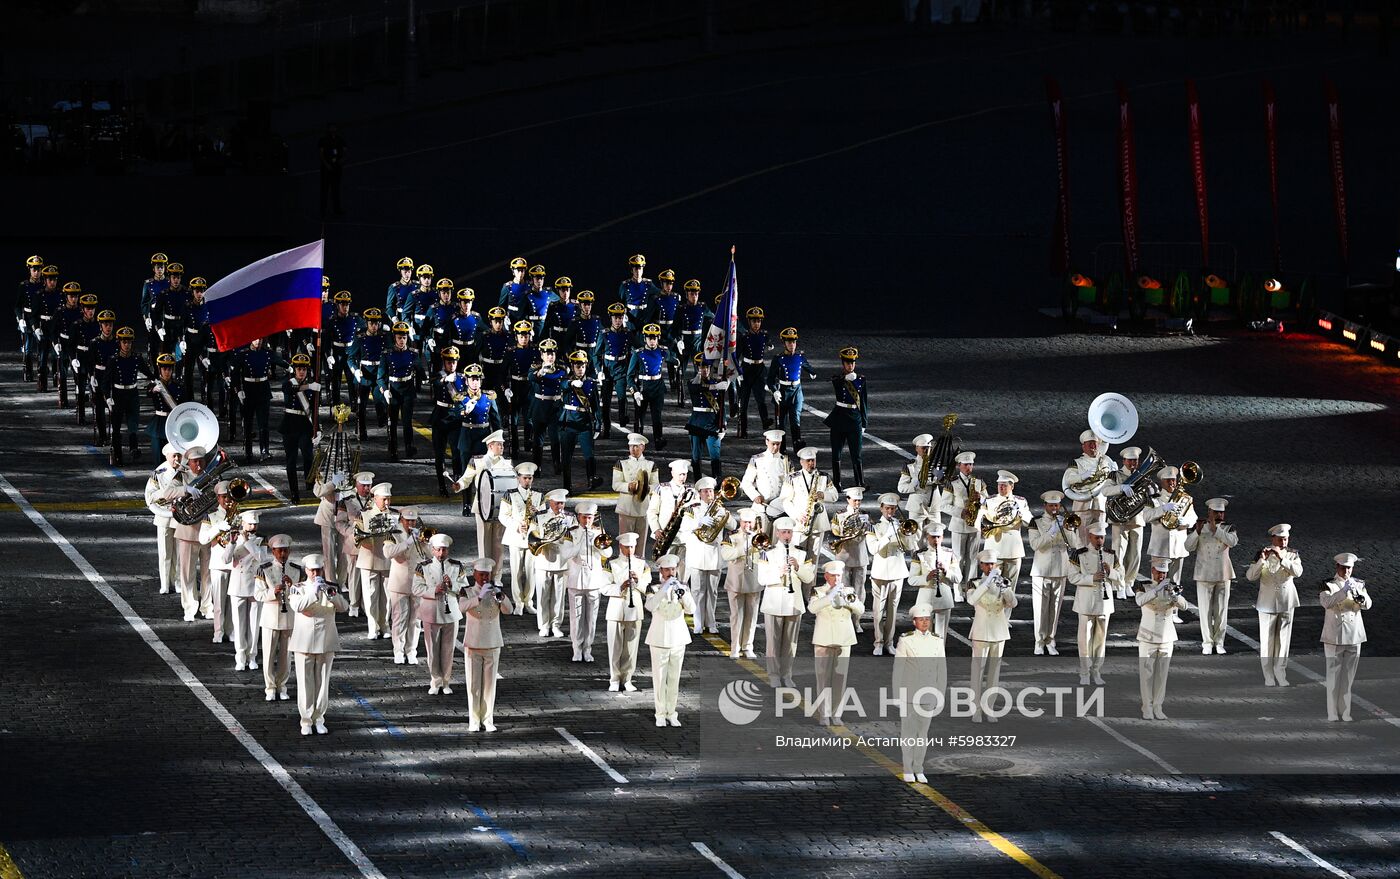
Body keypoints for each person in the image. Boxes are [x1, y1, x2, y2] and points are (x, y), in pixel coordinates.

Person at [289, 556, 349, 735]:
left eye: (318, 570)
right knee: (305, 682)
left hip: (325, 640)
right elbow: (298, 606)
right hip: (304, 641)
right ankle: (306, 720)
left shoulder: (331, 587)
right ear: (306, 570)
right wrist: (314, 592)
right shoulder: (297, 588)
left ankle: (319, 718)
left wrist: (332, 594)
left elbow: (343, 607)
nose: (315, 574)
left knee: (323, 682)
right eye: (312, 570)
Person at [758, 517, 814, 688]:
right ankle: (773, 675)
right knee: (773, 643)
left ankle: (786, 674)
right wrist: (779, 572)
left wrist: (798, 567)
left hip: (793, 603)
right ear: (777, 533)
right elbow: (762, 579)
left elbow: (809, 578)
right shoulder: (767, 552)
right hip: (774, 602)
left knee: (790, 644)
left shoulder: (801, 553)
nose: (787, 535)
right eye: (783, 532)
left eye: (789, 532)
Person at [1246, 523, 1303, 687]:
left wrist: (1282, 558)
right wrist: (1261, 561)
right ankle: (1268, 675)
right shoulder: (1262, 553)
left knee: (1284, 641)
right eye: (1280, 539)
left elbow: (1298, 572)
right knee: (1268, 640)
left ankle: (1280, 672)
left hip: (1286, 601)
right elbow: (1250, 576)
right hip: (1267, 603)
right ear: (1273, 538)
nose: (1284, 542)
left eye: (1286, 539)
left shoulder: (1292, 554)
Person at [893, 604, 944, 783]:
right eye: (921, 619)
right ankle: (908, 768)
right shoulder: (906, 640)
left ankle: (918, 767)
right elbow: (898, 670)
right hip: (909, 694)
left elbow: (941, 670)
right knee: (908, 734)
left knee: (923, 734)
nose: (925, 622)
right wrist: (897, 695)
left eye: (927, 619)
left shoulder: (938, 641)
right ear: (914, 622)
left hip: (929, 693)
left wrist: (941, 694)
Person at [461, 560, 513, 732]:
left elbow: (509, 611)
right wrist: (479, 597)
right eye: (481, 575)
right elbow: (462, 607)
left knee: (490, 685)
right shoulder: (467, 591)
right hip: (474, 642)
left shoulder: (495, 592)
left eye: (487, 575)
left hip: (492, 642)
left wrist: (501, 596)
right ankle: (474, 720)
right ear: (474, 574)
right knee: (474, 685)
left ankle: (488, 719)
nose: (484, 578)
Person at [810, 561, 862, 725]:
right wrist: (829, 597)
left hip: (843, 639)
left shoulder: (849, 591)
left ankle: (836, 714)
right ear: (826, 576)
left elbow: (860, 609)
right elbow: (812, 608)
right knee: (823, 679)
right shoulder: (818, 591)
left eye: (839, 575)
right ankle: (824, 714)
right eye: (833, 575)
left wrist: (848, 601)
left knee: (840, 679)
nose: (836, 578)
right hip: (824, 639)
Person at [967, 549, 1017, 723]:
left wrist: (1005, 589)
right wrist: (987, 583)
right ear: (981, 565)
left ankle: (989, 708)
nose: (990, 567)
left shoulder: (1003, 582)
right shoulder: (974, 583)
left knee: (994, 672)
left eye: (992, 564)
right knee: (978, 672)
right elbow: (972, 600)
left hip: (999, 631)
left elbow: (1013, 603)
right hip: (981, 631)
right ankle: (976, 709)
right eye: (987, 564)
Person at [680, 477, 734, 635]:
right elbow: (684, 529)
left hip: (714, 556)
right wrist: (699, 522)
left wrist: (726, 514)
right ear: (699, 494)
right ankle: (698, 622)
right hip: (697, 554)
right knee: (697, 590)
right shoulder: (692, 509)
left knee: (712, 591)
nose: (709, 494)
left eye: (711, 491)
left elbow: (733, 526)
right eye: (705, 491)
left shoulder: (720, 508)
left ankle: (710, 622)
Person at [1320, 552, 1370, 722]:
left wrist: (1360, 597)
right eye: (1343, 568)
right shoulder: (1328, 584)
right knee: (1333, 677)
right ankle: (1332, 712)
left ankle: (1346, 711)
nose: (1347, 571)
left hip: (1354, 635)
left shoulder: (1359, 583)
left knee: (1348, 678)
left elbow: (1368, 605)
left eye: (1349, 568)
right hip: (1335, 636)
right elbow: (1327, 603)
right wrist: (1343, 591)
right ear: (1337, 567)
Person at [1069, 522, 1122, 686]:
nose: (1099, 541)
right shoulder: (1079, 554)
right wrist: (1092, 578)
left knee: (1100, 640)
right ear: (1090, 537)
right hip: (1086, 603)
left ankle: (1096, 671)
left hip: (1104, 604)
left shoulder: (1110, 554)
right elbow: (1072, 577)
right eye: (1096, 538)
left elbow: (1121, 576)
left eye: (1102, 537)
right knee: (1084, 640)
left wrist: (1110, 572)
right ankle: (1084, 672)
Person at [1026, 490, 1078, 656]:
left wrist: (1068, 529)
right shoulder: (1036, 522)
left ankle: (1051, 640)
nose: (1054, 508)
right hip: (1042, 570)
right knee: (1040, 609)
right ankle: (1039, 641)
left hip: (1060, 569)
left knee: (1055, 609)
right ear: (1045, 506)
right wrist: (1052, 532)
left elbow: (1074, 544)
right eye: (1051, 505)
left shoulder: (1065, 522)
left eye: (1057, 505)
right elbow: (1035, 545)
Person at [448, 428, 511, 564]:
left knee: (498, 543)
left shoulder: (507, 463)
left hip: (501, 506)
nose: (502, 447)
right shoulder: (477, 461)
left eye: (502, 444)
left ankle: (496, 577)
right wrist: (458, 485)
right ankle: (484, 573)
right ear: (490, 446)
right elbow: (466, 479)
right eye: (499, 444)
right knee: (484, 540)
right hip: (482, 505)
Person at [865, 493, 918, 655]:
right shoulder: (873, 526)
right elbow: (873, 549)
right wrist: (887, 536)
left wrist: (908, 534)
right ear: (881, 508)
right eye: (887, 508)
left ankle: (889, 642)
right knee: (878, 611)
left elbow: (909, 546)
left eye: (893, 508)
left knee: (893, 611)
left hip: (897, 572)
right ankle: (878, 643)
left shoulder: (900, 524)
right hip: (880, 573)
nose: (890, 511)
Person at [414, 533, 466, 695]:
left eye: (444, 550)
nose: (441, 553)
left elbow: (465, 588)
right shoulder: (423, 566)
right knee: (432, 650)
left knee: (448, 650)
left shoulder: (456, 566)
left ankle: (446, 681)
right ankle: (435, 681)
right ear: (432, 550)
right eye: (438, 550)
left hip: (451, 612)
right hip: (431, 612)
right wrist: (433, 590)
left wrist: (452, 586)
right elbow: (416, 589)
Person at [1135, 559, 1187, 720]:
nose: (1161, 575)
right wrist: (1156, 590)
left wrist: (1174, 595)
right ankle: (1147, 707)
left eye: (1163, 572)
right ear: (1152, 571)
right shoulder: (1143, 586)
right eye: (1158, 572)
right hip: (1148, 636)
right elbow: (1139, 601)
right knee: (1146, 675)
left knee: (1162, 675)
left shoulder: (1172, 587)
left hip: (1166, 637)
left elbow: (1185, 606)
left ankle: (1158, 706)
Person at [646, 556, 696, 727]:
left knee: (674, 678)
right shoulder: (653, 588)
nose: (670, 573)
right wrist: (664, 589)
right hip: (658, 638)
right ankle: (660, 713)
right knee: (659, 679)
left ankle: (672, 712)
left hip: (678, 638)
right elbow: (650, 606)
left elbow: (691, 609)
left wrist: (683, 593)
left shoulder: (682, 587)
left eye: (673, 570)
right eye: (667, 570)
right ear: (660, 571)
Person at [1185, 497, 1237, 655]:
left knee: (1221, 610)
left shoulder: (1229, 528)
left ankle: (1219, 642)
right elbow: (1188, 546)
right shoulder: (1200, 527)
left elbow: (1232, 542)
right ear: (1209, 512)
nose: (1219, 515)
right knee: (1205, 610)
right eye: (1216, 513)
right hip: (1204, 574)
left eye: (1221, 513)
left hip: (1223, 573)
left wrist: (1216, 528)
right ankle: (1207, 642)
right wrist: (1197, 531)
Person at [602, 533, 652, 692]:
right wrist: (621, 586)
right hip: (616, 610)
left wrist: (637, 582)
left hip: (635, 609)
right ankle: (614, 678)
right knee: (615, 647)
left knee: (631, 648)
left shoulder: (642, 564)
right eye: (626, 547)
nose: (629, 550)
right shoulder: (611, 564)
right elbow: (604, 587)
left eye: (632, 547)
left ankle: (628, 678)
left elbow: (646, 586)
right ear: (620, 547)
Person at [254, 535, 301, 699]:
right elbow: (258, 594)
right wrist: (272, 592)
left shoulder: (296, 569)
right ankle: (270, 688)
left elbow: (302, 593)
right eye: (279, 551)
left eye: (285, 550)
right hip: (270, 616)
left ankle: (282, 685)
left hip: (289, 616)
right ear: (273, 551)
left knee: (286, 656)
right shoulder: (264, 569)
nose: (282, 554)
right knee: (268, 655)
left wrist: (292, 586)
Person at [170, 445, 212, 621]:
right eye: (195, 462)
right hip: (187, 531)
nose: (199, 465)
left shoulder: (211, 477)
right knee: (187, 573)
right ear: (190, 463)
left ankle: (208, 606)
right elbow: (166, 492)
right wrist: (186, 489)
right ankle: (189, 607)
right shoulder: (182, 476)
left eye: (201, 461)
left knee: (208, 573)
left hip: (208, 530)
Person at [197, 481, 242, 644]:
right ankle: (218, 631)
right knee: (219, 601)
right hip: (218, 564)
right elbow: (202, 539)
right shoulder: (211, 517)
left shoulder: (239, 515)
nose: (227, 500)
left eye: (229, 497)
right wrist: (218, 528)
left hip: (236, 562)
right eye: (223, 497)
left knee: (233, 601)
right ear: (217, 498)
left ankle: (230, 630)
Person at [101, 326, 153, 465]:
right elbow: (105, 382)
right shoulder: (113, 360)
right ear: (119, 343)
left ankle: (133, 447)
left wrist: (156, 381)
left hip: (132, 393)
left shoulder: (136, 358)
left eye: (129, 342)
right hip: (118, 394)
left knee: (133, 422)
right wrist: (108, 397)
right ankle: (117, 454)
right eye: (124, 342)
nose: (127, 345)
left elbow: (149, 373)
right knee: (116, 426)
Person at [531, 488, 579, 638]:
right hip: (543, 559)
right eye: (557, 503)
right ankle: (544, 625)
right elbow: (531, 536)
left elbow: (576, 537)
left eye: (562, 504)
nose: (560, 507)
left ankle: (556, 625)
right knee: (543, 596)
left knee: (559, 597)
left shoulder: (571, 518)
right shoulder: (539, 517)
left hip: (562, 561)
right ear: (550, 502)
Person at [568, 502, 613, 662]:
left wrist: (598, 544)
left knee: (592, 618)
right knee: (576, 616)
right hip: (576, 578)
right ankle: (576, 648)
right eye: (584, 517)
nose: (587, 520)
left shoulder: (599, 532)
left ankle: (588, 648)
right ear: (578, 517)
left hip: (594, 579)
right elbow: (565, 553)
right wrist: (580, 542)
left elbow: (608, 553)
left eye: (590, 517)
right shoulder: (571, 532)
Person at [384, 507, 429, 664]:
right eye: (407, 520)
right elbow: (388, 552)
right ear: (401, 519)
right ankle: (398, 650)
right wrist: (408, 542)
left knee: (416, 619)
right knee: (399, 618)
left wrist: (425, 544)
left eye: (413, 520)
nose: (410, 523)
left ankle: (411, 651)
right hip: (400, 582)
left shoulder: (420, 533)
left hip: (417, 582)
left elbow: (429, 555)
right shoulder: (393, 532)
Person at [497, 459, 543, 613]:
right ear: (518, 478)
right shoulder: (510, 495)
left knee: (531, 571)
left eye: (530, 478)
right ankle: (518, 603)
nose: (527, 481)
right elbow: (503, 516)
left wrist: (537, 515)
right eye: (524, 478)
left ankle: (529, 601)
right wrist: (517, 525)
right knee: (516, 570)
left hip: (532, 537)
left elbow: (544, 517)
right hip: (515, 536)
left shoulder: (538, 495)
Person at [353, 482, 397, 640]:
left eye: (389, 499)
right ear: (375, 498)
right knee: (370, 596)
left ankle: (385, 624)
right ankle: (373, 626)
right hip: (369, 559)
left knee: (386, 596)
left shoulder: (394, 515)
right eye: (384, 499)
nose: (387, 503)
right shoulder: (364, 514)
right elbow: (357, 538)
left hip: (387, 560)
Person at [973, 470, 1033, 586]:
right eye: (999, 485)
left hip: (1013, 549)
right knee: (991, 585)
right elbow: (979, 521)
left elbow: (1030, 522)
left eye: (1004, 485)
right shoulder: (989, 501)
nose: (1001, 488)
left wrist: (1020, 514)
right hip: (994, 547)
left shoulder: (1020, 502)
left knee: (1010, 586)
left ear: (1012, 486)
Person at [780, 447, 837, 565]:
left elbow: (835, 496)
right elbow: (785, 501)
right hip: (800, 524)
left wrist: (823, 495)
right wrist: (797, 515)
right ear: (801, 462)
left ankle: (810, 583)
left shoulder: (824, 476)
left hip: (818, 524)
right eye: (808, 461)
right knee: (797, 557)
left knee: (813, 560)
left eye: (813, 460)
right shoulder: (792, 478)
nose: (811, 463)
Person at [720, 508, 765, 658]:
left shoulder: (759, 536)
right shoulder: (731, 536)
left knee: (752, 616)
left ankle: (748, 646)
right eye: (745, 522)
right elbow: (726, 555)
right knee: (736, 616)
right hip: (736, 581)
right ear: (740, 522)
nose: (748, 525)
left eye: (750, 522)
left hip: (754, 580)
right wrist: (745, 546)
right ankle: (735, 647)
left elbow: (766, 557)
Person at [557, 350, 604, 491]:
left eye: (582, 366)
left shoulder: (591, 383)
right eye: (577, 366)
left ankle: (591, 481)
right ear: (572, 367)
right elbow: (563, 386)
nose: (580, 369)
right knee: (566, 457)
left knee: (589, 455)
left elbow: (596, 406)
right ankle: (567, 486)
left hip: (584, 424)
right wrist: (572, 383)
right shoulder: (566, 380)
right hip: (569, 423)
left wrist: (597, 425)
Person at [223, 510, 264, 672]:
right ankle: (240, 657)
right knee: (239, 624)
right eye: (250, 524)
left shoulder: (262, 540)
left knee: (254, 623)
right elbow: (225, 560)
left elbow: (262, 558)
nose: (253, 527)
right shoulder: (234, 539)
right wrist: (233, 543)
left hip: (256, 585)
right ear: (243, 524)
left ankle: (252, 655)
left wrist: (247, 542)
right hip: (238, 585)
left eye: (255, 524)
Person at [1062, 430, 1119, 542]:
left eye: (1095, 443)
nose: (1093, 446)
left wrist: (1116, 473)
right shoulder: (1076, 462)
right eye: (1090, 444)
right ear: (1083, 447)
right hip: (1082, 506)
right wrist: (1082, 476)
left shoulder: (1106, 460)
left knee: (1099, 539)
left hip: (1100, 504)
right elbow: (1068, 479)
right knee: (1082, 540)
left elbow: (1113, 481)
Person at [907, 521, 961, 640]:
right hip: (925, 598)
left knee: (941, 636)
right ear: (927, 537)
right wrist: (927, 577)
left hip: (944, 598)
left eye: (938, 537)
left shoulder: (949, 553)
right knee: (924, 634)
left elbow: (958, 578)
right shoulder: (919, 554)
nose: (936, 540)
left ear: (942, 537)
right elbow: (911, 580)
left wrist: (946, 571)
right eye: (933, 537)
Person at [828, 487, 873, 630]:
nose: (857, 503)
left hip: (860, 554)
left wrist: (867, 527)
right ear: (848, 500)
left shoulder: (865, 514)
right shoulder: (839, 514)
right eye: (855, 500)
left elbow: (871, 531)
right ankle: (844, 618)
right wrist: (844, 532)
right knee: (844, 588)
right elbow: (834, 532)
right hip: (844, 554)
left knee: (859, 590)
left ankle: (856, 620)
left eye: (859, 501)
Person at [626, 323, 676, 449]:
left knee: (657, 415)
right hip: (643, 387)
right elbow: (629, 376)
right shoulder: (638, 354)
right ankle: (637, 441)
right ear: (645, 338)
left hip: (658, 387)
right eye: (650, 338)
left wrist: (677, 360)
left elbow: (673, 359)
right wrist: (635, 391)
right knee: (639, 416)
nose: (652, 341)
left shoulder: (663, 351)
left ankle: (658, 439)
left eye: (654, 338)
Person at [824, 346, 867, 490]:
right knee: (836, 452)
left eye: (852, 362)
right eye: (848, 362)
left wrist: (864, 423)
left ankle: (859, 482)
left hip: (855, 419)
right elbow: (835, 380)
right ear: (843, 363)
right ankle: (837, 483)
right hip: (839, 418)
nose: (850, 365)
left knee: (857, 453)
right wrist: (844, 379)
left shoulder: (861, 380)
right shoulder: (838, 379)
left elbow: (864, 402)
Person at [279, 354, 320, 504]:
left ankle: (309, 482)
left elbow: (314, 409)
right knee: (291, 461)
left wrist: (317, 428)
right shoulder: (288, 383)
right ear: (294, 370)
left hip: (305, 425)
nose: (301, 372)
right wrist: (309, 386)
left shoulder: (313, 386)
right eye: (298, 369)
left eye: (303, 369)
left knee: (308, 456)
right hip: (290, 425)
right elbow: (291, 390)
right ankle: (294, 492)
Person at [766, 328, 815, 453]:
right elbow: (770, 379)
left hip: (797, 391)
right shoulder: (778, 359)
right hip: (783, 391)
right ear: (784, 344)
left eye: (793, 342)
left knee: (795, 419)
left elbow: (808, 367)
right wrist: (774, 390)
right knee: (781, 422)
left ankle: (797, 445)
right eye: (789, 342)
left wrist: (812, 373)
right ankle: (781, 449)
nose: (792, 345)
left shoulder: (800, 357)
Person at [229, 336, 278, 462]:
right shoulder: (243, 355)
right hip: (248, 390)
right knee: (248, 423)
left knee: (263, 424)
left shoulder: (266, 353)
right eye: (256, 339)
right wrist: (238, 390)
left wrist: (290, 367)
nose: (259, 342)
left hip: (263, 390)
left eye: (261, 339)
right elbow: (234, 375)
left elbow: (279, 360)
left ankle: (265, 451)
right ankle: (248, 451)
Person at [144, 444, 183, 596]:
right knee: (165, 552)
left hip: (181, 516)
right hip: (164, 516)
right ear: (167, 456)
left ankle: (178, 582)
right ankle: (165, 583)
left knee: (180, 553)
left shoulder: (184, 470)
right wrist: (167, 494)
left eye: (179, 455)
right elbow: (150, 495)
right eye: (174, 456)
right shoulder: (159, 473)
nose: (177, 459)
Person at [942, 451, 986, 582]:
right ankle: (958, 589)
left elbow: (988, 502)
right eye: (966, 465)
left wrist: (981, 498)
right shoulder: (952, 483)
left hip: (975, 525)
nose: (969, 468)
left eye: (971, 465)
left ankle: (970, 587)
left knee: (973, 558)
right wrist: (961, 512)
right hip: (959, 525)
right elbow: (943, 505)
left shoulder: (979, 482)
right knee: (958, 558)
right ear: (959, 466)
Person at [612, 433, 658, 558]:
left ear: (643, 447)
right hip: (626, 508)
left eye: (636, 446)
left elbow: (656, 486)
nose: (633, 449)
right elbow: (615, 485)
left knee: (640, 544)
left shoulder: (650, 465)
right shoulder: (621, 463)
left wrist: (645, 488)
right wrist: (628, 487)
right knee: (625, 542)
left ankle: (639, 570)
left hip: (643, 508)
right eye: (631, 446)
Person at [379, 322, 420, 460]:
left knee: (407, 421)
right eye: (399, 338)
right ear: (394, 338)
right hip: (393, 390)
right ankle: (393, 449)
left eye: (404, 338)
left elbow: (419, 369)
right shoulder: (387, 354)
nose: (402, 340)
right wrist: (384, 390)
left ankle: (409, 446)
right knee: (393, 422)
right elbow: (380, 377)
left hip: (408, 389)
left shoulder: (413, 353)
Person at [647, 460, 695, 576]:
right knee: (667, 569)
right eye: (680, 474)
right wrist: (656, 529)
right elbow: (652, 511)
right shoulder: (662, 488)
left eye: (684, 474)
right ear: (673, 473)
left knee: (684, 571)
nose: (682, 477)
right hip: (666, 536)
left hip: (684, 537)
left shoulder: (691, 490)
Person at [1110, 446, 1147, 594]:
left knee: (1135, 554)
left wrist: (1151, 491)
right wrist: (1121, 488)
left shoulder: (1142, 475)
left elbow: (1147, 497)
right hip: (1119, 519)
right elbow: (1105, 490)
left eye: (1135, 461)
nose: (1133, 463)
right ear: (1124, 460)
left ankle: (1128, 583)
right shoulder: (1115, 476)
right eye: (1130, 460)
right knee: (1119, 552)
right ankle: (1118, 584)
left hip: (1137, 518)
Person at [338, 472, 375, 617]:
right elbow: (340, 523)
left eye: (368, 485)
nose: (366, 488)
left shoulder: (375, 500)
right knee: (354, 576)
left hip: (371, 544)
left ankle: (366, 605)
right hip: (354, 543)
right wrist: (352, 533)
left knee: (369, 576)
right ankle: (353, 604)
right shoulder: (347, 501)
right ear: (357, 486)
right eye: (363, 485)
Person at [687, 354, 729, 480]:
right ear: (697, 368)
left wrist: (724, 424)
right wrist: (716, 387)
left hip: (712, 424)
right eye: (701, 367)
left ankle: (717, 482)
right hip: (696, 424)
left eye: (706, 367)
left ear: (710, 368)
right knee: (696, 457)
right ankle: (697, 482)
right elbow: (697, 388)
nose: (704, 370)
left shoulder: (717, 383)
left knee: (715, 455)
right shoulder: (692, 383)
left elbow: (721, 406)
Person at [348, 307, 388, 439]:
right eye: (371, 323)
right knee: (362, 404)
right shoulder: (360, 338)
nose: (374, 326)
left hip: (379, 373)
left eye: (376, 323)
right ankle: (362, 430)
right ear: (366, 323)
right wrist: (356, 370)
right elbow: (351, 358)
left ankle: (382, 418)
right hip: (364, 373)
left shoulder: (384, 337)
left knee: (380, 400)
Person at [431, 346, 466, 495]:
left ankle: (457, 481)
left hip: (455, 418)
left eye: (454, 362)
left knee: (456, 453)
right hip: (440, 418)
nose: (451, 365)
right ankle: (441, 486)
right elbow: (435, 382)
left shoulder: (462, 378)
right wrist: (445, 379)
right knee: (439, 455)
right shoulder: (438, 375)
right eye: (448, 362)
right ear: (444, 363)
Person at [740, 429, 790, 532]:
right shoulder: (756, 459)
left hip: (780, 508)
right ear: (766, 441)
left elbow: (790, 484)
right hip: (761, 507)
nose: (775, 447)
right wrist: (755, 495)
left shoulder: (785, 461)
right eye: (773, 444)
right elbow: (746, 482)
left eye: (778, 444)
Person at [735, 306, 773, 437]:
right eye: (754, 321)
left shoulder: (764, 334)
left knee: (761, 399)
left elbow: (767, 341)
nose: (756, 324)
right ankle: (744, 429)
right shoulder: (744, 337)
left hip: (759, 369)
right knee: (744, 401)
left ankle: (765, 421)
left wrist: (770, 344)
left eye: (758, 321)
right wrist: (738, 372)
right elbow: (736, 355)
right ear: (749, 322)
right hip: (747, 370)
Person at [598, 303, 633, 435]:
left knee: (622, 397)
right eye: (615, 318)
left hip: (621, 369)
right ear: (611, 318)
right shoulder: (604, 334)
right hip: (607, 369)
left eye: (620, 318)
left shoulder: (627, 333)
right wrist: (599, 370)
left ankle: (622, 417)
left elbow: (637, 347)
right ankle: (606, 427)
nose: (618, 321)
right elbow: (596, 354)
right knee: (606, 402)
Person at [618, 254, 658, 335]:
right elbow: (620, 303)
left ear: (643, 269)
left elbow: (660, 293)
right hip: (630, 317)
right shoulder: (625, 285)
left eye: (640, 268)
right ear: (632, 270)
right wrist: (623, 317)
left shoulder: (648, 284)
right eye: (635, 268)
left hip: (644, 318)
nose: (638, 271)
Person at [318, 123, 346, 215]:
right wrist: (326, 165)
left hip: (336, 168)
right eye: (331, 128)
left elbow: (344, 151)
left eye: (334, 128)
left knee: (335, 190)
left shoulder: (339, 139)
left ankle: (336, 210)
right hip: (327, 169)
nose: (333, 130)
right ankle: (323, 210)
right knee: (325, 190)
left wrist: (342, 159)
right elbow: (321, 154)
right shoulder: (323, 140)